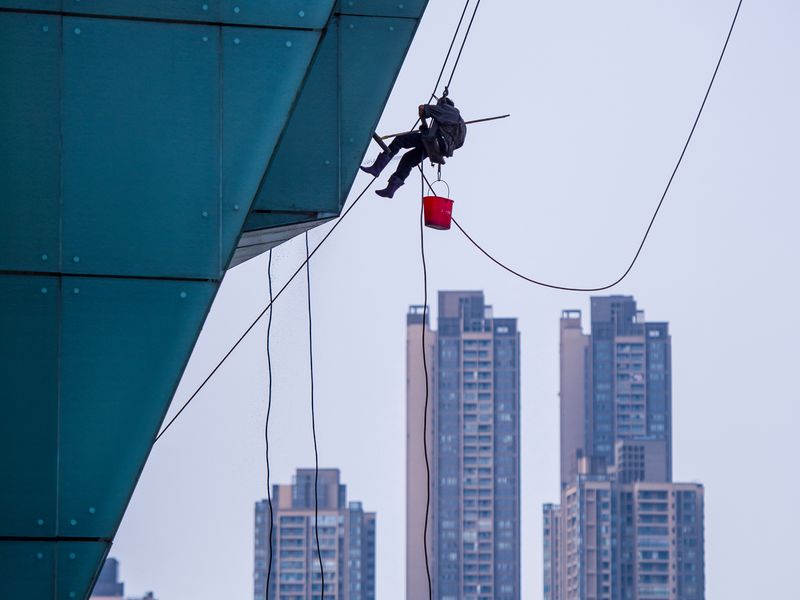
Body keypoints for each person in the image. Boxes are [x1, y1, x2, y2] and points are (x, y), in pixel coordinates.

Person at [361, 96, 467, 198]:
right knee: (408, 160)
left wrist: (424, 109)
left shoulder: (450, 111)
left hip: (437, 140)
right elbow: (459, 143)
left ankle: (377, 167)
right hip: (439, 148)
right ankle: (391, 190)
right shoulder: (459, 124)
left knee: (400, 140)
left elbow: (425, 109)